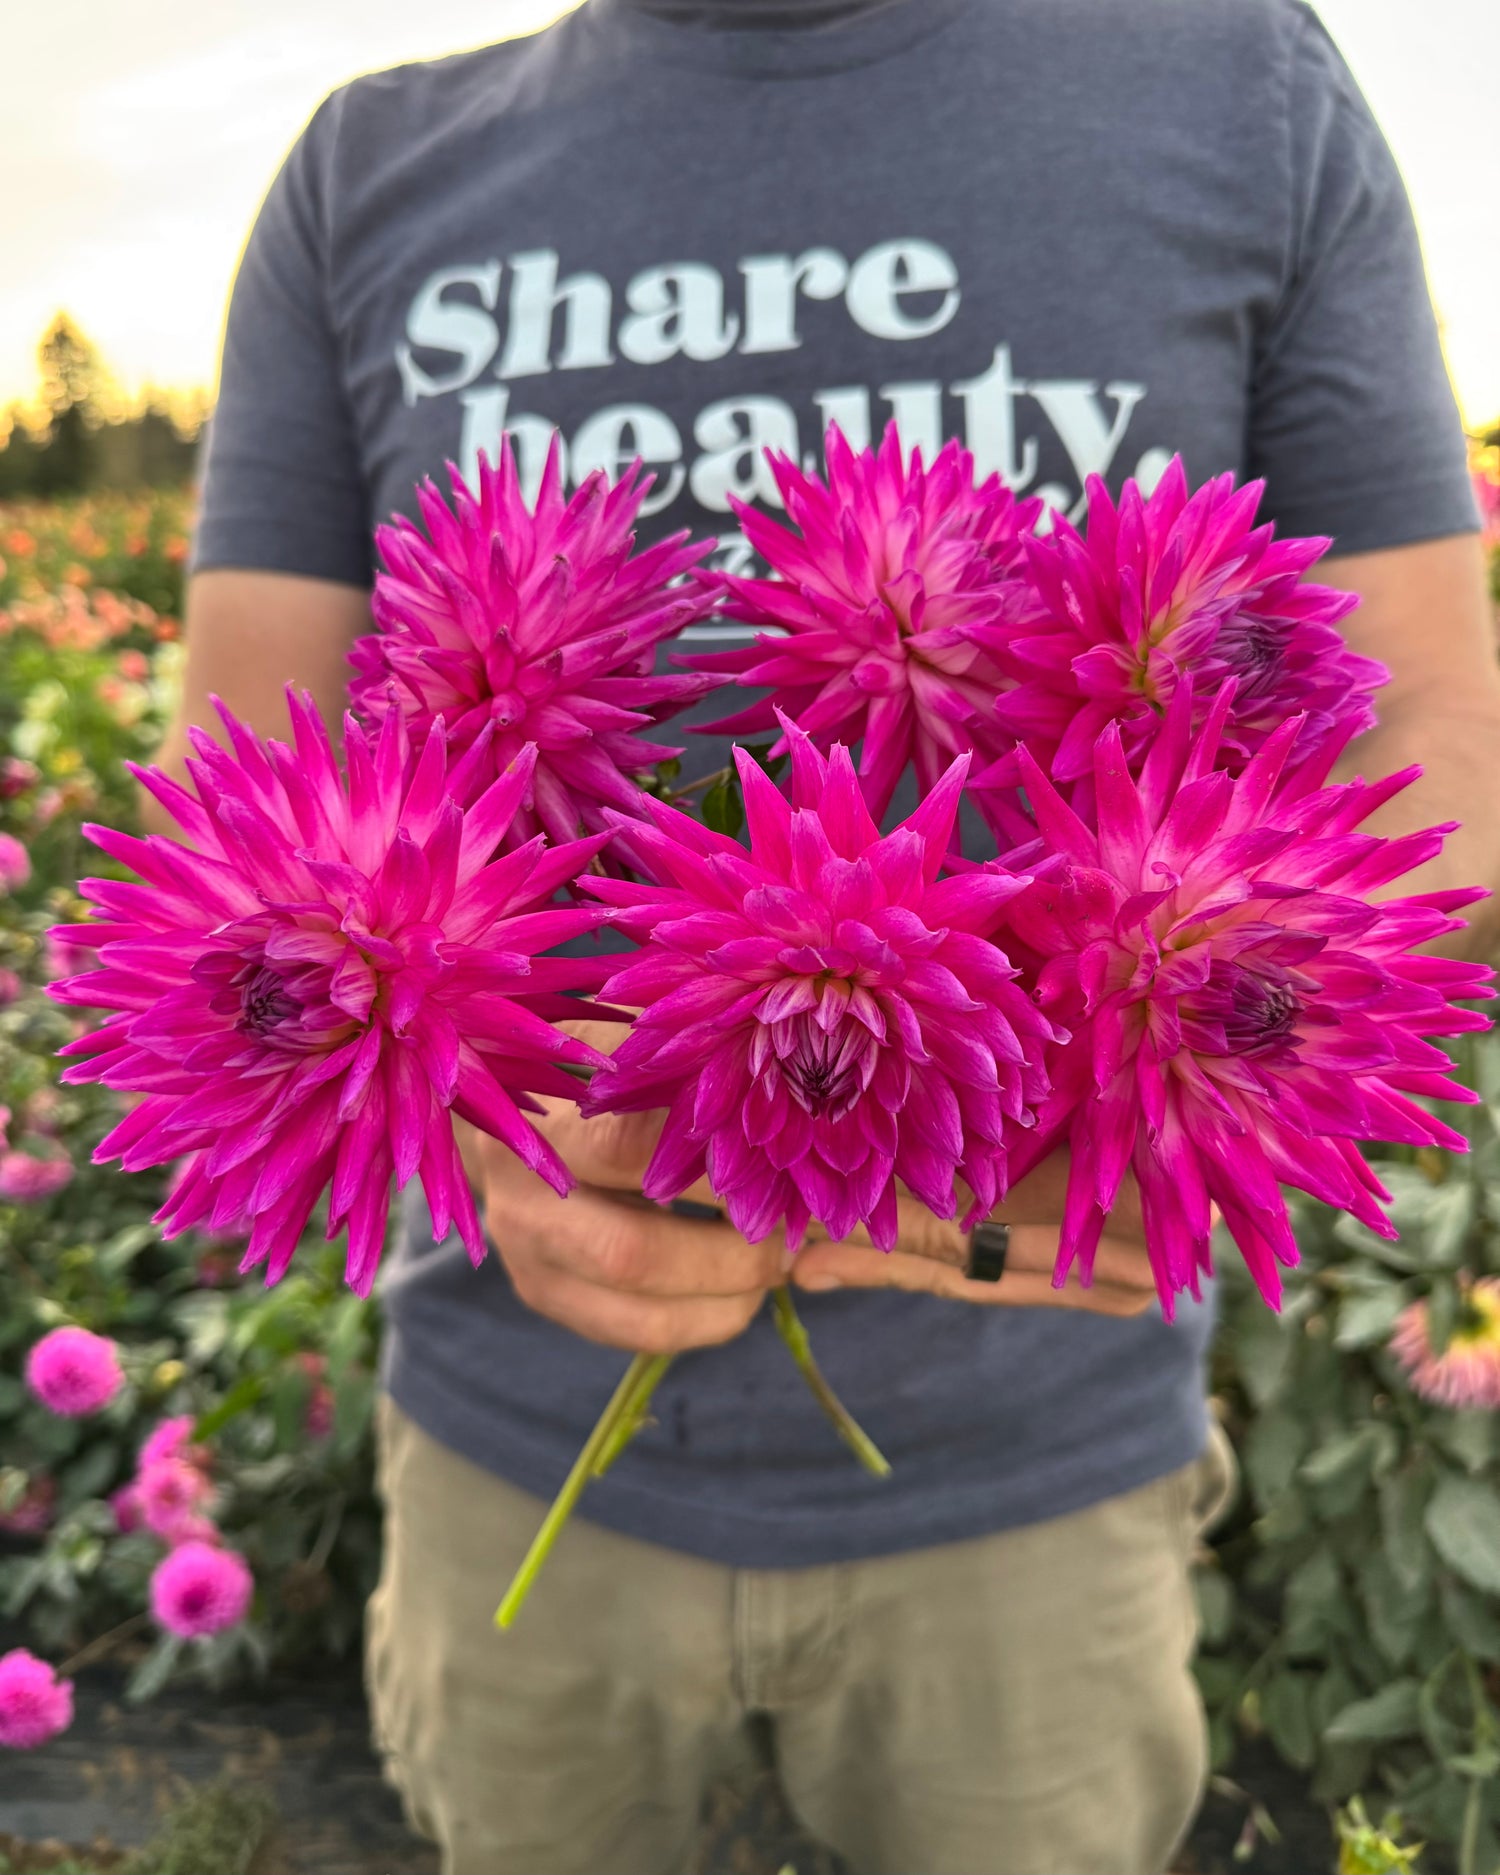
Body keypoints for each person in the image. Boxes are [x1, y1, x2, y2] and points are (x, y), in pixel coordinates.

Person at [153, 1, 1499, 1870]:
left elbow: (1433, 720)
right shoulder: (366, 170)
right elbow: (243, 779)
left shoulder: (1238, 83)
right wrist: (483, 1118)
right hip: (515, 1444)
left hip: (1034, 1481)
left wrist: (1185, 1026)